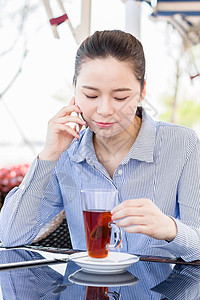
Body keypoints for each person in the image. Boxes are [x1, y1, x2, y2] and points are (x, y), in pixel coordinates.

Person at [0, 30, 199, 262]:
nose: (104, 110)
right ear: (75, 89)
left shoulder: (182, 145)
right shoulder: (66, 152)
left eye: (120, 97)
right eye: (91, 95)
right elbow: (11, 235)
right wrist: (49, 154)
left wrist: (170, 228)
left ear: (142, 91)